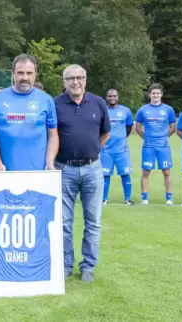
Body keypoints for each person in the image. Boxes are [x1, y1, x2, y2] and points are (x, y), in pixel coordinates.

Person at [54, 64, 110, 283]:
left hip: (92, 169)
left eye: (79, 78)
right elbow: (51, 135)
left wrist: (92, 150)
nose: (75, 82)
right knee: (64, 222)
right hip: (64, 168)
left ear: (86, 79)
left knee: (93, 221)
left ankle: (88, 266)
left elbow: (105, 133)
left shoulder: (98, 103)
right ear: (64, 81)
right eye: (70, 78)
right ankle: (66, 265)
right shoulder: (55, 104)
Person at [0, 54, 59, 171]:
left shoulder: (46, 100)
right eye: (20, 73)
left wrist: (49, 163)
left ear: (35, 75)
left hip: (38, 171)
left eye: (29, 73)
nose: (25, 77)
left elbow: (53, 135)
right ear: (13, 74)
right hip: (4, 170)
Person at [135, 83, 176, 205]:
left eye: (158, 93)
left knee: (167, 171)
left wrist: (163, 137)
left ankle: (169, 198)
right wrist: (147, 138)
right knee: (146, 172)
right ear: (150, 95)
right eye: (153, 93)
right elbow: (138, 128)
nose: (155, 95)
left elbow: (173, 128)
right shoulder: (143, 110)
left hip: (163, 146)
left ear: (161, 94)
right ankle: (145, 198)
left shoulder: (168, 109)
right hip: (148, 146)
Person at [101, 88, 134, 206]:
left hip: (122, 150)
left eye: (114, 96)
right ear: (106, 97)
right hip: (106, 150)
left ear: (118, 97)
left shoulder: (126, 111)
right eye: (110, 96)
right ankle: (104, 199)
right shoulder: (103, 110)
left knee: (125, 174)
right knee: (105, 175)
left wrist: (122, 138)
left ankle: (128, 199)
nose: (112, 98)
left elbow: (129, 127)